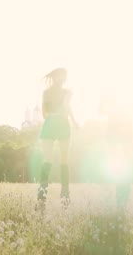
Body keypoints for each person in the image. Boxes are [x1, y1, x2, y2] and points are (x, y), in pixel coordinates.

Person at [36, 68, 78, 209]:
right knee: (64, 161)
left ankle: (41, 195)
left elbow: (44, 113)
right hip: (62, 124)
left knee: (47, 160)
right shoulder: (67, 92)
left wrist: (52, 119)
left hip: (50, 124)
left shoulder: (46, 93)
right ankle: (65, 195)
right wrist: (74, 121)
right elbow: (67, 107)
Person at [99, 89, 133, 209]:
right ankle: (119, 194)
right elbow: (100, 110)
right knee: (115, 163)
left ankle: (123, 195)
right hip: (116, 133)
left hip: (124, 133)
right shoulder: (113, 99)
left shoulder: (126, 100)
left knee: (124, 164)